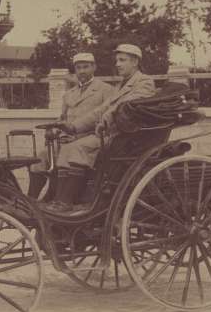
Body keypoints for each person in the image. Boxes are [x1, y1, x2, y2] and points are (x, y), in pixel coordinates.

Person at [44, 43, 156, 212]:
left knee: (77, 148)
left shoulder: (144, 82)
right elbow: (100, 110)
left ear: (135, 62)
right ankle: (61, 200)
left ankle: (65, 202)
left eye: (122, 60)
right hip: (112, 134)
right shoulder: (122, 85)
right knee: (67, 148)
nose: (117, 64)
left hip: (126, 137)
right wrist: (73, 127)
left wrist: (106, 119)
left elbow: (128, 106)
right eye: (117, 60)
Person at [26, 53, 113, 199]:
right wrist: (54, 129)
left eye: (86, 67)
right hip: (68, 138)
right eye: (78, 68)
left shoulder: (106, 90)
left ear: (94, 67)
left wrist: (73, 132)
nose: (82, 71)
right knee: (41, 156)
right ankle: (30, 201)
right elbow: (62, 118)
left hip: (92, 138)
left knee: (67, 151)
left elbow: (103, 115)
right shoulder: (69, 94)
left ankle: (62, 199)